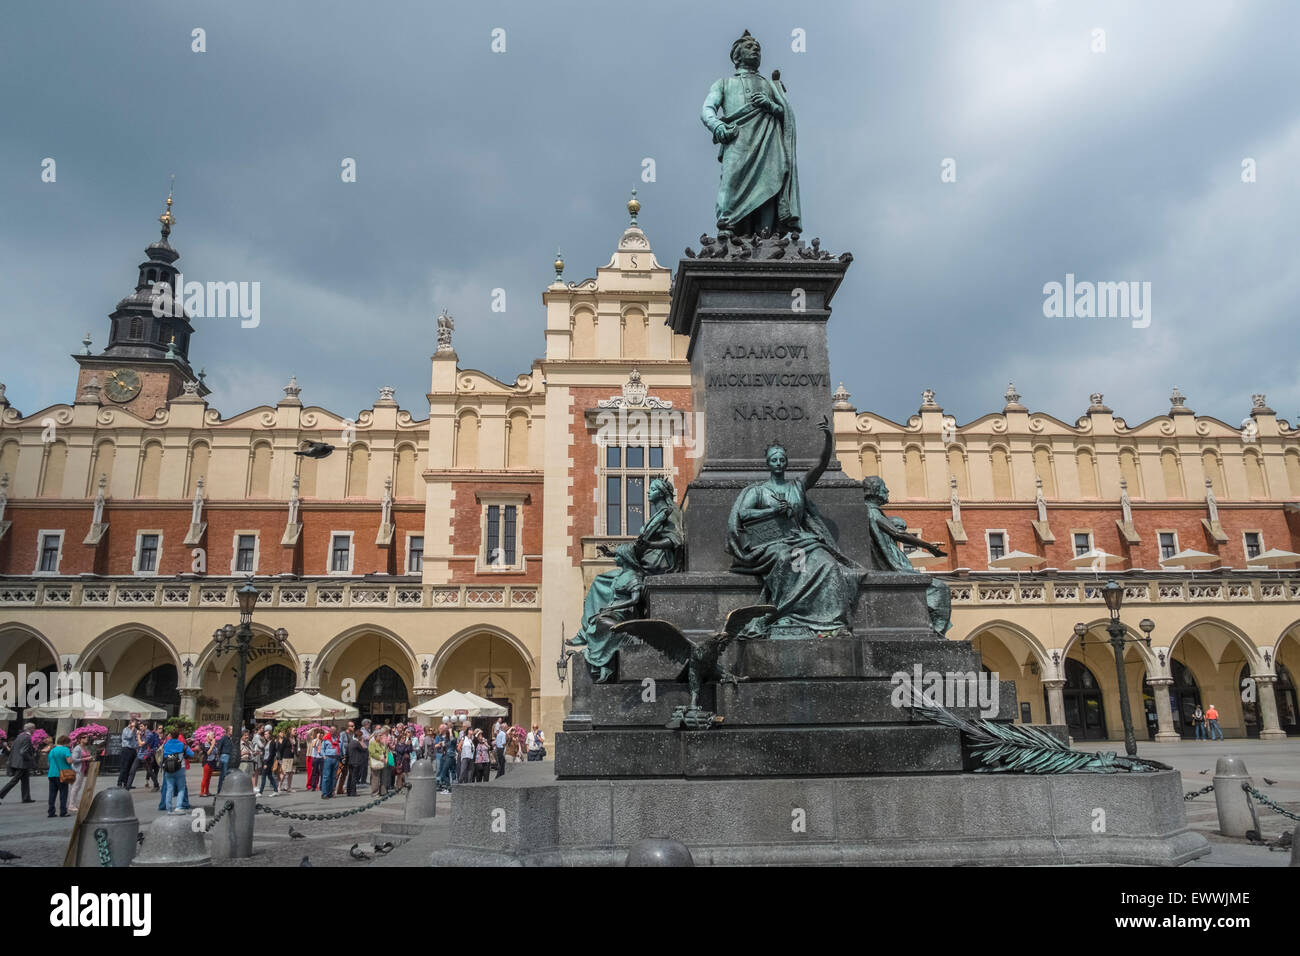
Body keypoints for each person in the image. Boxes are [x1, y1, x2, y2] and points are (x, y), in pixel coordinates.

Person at [726, 422, 859, 639]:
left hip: (799, 539)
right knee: (784, 557)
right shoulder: (758, 491)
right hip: (768, 543)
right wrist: (771, 511)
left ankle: (832, 621)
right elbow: (744, 514)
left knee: (826, 563)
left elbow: (821, 465)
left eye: (781, 459)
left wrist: (828, 438)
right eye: (774, 460)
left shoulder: (797, 487)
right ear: (768, 464)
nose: (778, 463)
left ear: (786, 462)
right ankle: (782, 612)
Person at [566, 477, 685, 682]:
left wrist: (651, 545)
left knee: (602, 582)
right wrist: (612, 553)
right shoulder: (656, 514)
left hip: (655, 565)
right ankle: (588, 630)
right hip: (642, 562)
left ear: (663, 493)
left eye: (653, 489)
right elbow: (635, 548)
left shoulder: (670, 511)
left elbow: (676, 540)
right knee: (601, 582)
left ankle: (591, 631)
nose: (648, 492)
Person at [700, 30, 801, 239]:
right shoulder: (724, 83)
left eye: (758, 48)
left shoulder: (770, 85)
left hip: (768, 141)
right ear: (737, 56)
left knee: (770, 182)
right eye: (749, 47)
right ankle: (727, 226)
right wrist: (717, 126)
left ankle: (766, 233)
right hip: (737, 140)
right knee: (730, 183)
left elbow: (786, 116)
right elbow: (707, 110)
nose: (755, 50)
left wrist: (771, 105)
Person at [157, 730, 195, 813]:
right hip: (180, 768)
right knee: (181, 788)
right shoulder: (182, 745)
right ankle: (178, 806)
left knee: (169, 788)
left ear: (170, 735)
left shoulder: (166, 745)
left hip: (168, 768)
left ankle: (169, 808)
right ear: (178, 736)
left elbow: (162, 755)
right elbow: (192, 754)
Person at [0, 722, 37, 803]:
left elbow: (14, 748)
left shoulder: (20, 736)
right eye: (34, 728)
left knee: (25, 780)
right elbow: (23, 751)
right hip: (22, 763)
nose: (35, 730)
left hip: (18, 762)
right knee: (14, 781)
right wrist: (30, 758)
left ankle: (26, 797)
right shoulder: (27, 737)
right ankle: (1, 794)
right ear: (30, 729)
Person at [45, 734, 73, 818]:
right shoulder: (65, 749)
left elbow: (49, 763)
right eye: (69, 743)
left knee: (52, 794)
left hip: (51, 774)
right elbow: (69, 761)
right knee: (63, 793)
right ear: (66, 742)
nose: (69, 744)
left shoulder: (52, 750)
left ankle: (51, 812)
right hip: (63, 774)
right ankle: (63, 811)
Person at [68, 734, 93, 812]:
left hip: (82, 769)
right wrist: (85, 759)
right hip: (77, 770)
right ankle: (71, 805)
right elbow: (73, 760)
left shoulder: (85, 747)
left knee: (78, 787)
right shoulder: (77, 748)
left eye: (87, 737)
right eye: (84, 737)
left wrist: (89, 758)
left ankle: (73, 803)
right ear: (80, 739)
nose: (86, 739)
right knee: (75, 787)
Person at [116, 719, 138, 789]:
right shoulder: (126, 729)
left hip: (133, 750)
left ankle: (126, 783)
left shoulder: (135, 730)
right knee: (124, 767)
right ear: (131, 723)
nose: (135, 724)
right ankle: (119, 782)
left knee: (129, 767)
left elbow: (136, 738)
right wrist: (132, 729)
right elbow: (129, 736)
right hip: (126, 749)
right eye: (134, 723)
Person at [345, 727, 367, 796]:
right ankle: (353, 792)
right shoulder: (356, 743)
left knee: (350, 777)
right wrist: (362, 743)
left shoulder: (350, 742)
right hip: (356, 762)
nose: (362, 737)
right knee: (354, 777)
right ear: (358, 736)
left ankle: (349, 791)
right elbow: (364, 750)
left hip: (350, 762)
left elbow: (347, 753)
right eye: (361, 736)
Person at [319, 729, 339, 799]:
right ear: (330, 732)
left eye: (334, 730)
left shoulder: (337, 738)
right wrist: (324, 756)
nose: (333, 731)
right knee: (326, 777)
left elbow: (340, 747)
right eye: (332, 730)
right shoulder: (326, 739)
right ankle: (324, 793)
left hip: (336, 758)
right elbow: (322, 749)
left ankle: (330, 793)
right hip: (328, 758)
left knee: (333, 777)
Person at [141, 722, 161, 791]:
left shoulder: (150, 734)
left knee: (149, 770)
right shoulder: (155, 734)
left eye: (141, 726)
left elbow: (148, 744)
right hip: (155, 754)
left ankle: (156, 785)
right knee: (154, 770)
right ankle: (155, 784)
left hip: (150, 754)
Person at [259, 730, 280, 796]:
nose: (265, 735)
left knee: (263, 776)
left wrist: (266, 763)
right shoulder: (267, 742)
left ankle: (260, 792)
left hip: (268, 761)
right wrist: (261, 753)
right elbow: (266, 753)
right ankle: (276, 790)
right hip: (266, 760)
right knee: (270, 777)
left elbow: (271, 754)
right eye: (264, 734)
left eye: (266, 734)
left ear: (270, 735)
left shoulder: (272, 742)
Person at [217, 726, 237, 792]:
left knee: (229, 774)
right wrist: (219, 758)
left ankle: (227, 789)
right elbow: (219, 748)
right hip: (225, 757)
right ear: (228, 731)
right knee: (224, 774)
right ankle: (220, 790)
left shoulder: (231, 739)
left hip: (230, 757)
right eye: (232, 730)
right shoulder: (224, 738)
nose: (233, 731)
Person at [369, 730, 389, 796]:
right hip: (376, 762)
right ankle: (375, 793)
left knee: (384, 777)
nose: (381, 736)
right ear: (376, 736)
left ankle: (383, 792)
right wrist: (380, 758)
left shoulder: (382, 743)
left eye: (381, 735)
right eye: (380, 735)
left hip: (383, 762)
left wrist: (386, 758)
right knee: (375, 778)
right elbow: (372, 753)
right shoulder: (372, 743)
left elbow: (386, 750)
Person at [200, 731, 218, 796]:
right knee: (205, 777)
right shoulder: (205, 744)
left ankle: (207, 791)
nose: (213, 736)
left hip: (212, 762)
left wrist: (213, 745)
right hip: (207, 762)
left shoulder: (213, 744)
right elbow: (208, 753)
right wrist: (212, 745)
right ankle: (202, 792)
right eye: (212, 735)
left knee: (209, 778)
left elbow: (216, 752)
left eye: (213, 735)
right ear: (208, 737)